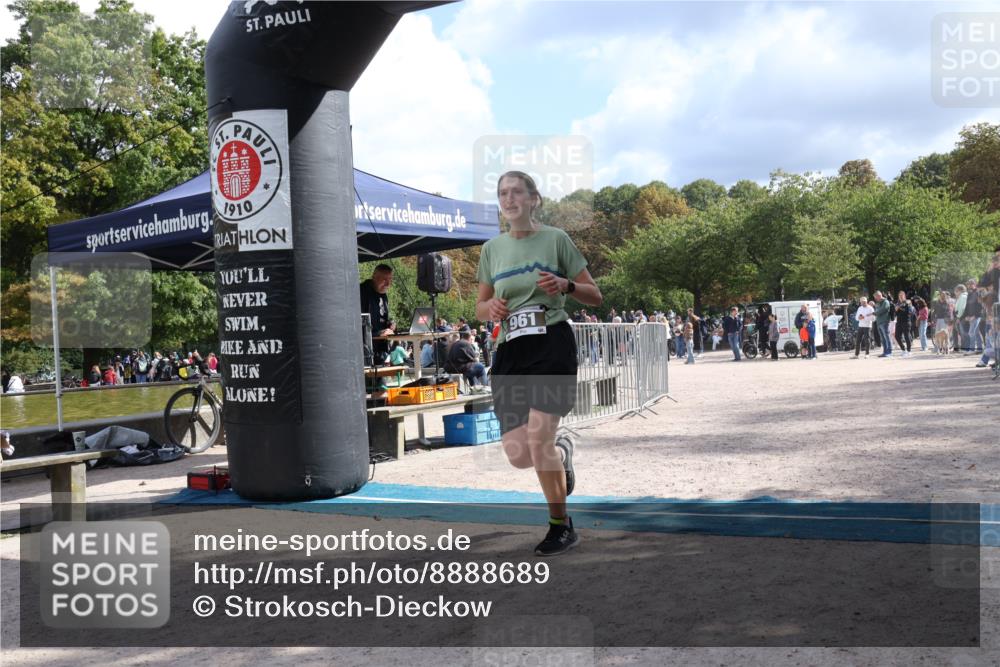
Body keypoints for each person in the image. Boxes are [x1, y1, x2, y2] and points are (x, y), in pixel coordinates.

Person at [476, 170, 602, 556]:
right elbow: (480, 307)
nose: (509, 199)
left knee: (538, 438)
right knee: (518, 456)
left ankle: (560, 526)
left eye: (516, 192)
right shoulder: (491, 250)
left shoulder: (556, 239)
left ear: (534, 199)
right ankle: (561, 454)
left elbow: (594, 295)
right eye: (502, 193)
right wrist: (491, 308)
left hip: (551, 342)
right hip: (512, 350)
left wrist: (566, 286)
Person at [360, 264, 395, 365]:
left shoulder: (383, 295)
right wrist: (378, 334)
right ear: (374, 276)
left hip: (380, 352)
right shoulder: (361, 292)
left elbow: (381, 319)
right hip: (365, 353)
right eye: (384, 279)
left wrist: (390, 325)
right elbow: (357, 324)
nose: (388, 283)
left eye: (390, 279)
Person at [873, 291, 893, 357]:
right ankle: (885, 352)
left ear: (879, 296)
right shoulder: (878, 303)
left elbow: (883, 309)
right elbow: (877, 310)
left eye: (876, 297)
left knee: (886, 337)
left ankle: (889, 352)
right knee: (883, 338)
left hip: (884, 321)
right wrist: (876, 312)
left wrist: (875, 313)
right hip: (879, 322)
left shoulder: (885, 302)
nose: (875, 299)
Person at [894, 291, 914, 357]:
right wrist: (896, 310)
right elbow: (896, 314)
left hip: (906, 321)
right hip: (899, 322)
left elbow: (910, 312)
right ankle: (903, 350)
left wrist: (900, 308)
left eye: (902, 295)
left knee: (906, 336)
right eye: (899, 296)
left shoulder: (908, 302)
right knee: (897, 336)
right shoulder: (897, 304)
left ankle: (909, 351)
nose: (900, 297)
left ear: (904, 296)